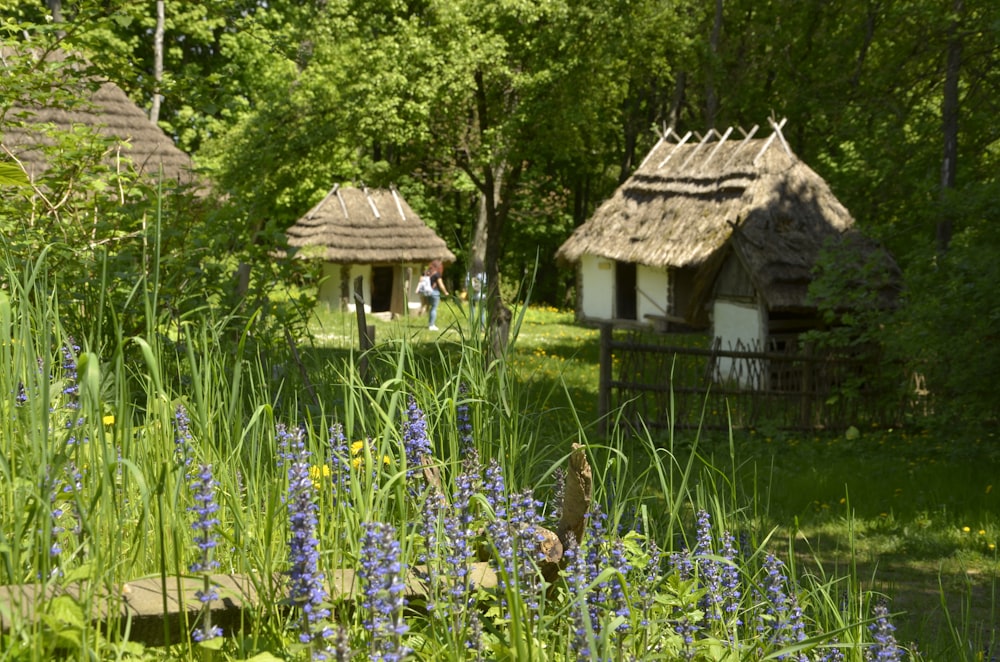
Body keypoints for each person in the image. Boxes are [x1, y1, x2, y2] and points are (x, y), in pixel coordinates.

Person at [427, 259, 449, 330]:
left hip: (428, 292)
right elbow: (441, 284)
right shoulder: (437, 274)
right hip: (435, 292)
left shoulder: (427, 273)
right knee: (434, 308)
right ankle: (431, 325)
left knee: (431, 308)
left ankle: (430, 324)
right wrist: (445, 292)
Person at [466, 256, 487, 329]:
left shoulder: (470, 273)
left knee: (472, 310)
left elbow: (467, 284)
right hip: (482, 295)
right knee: (482, 312)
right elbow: (485, 284)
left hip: (472, 294)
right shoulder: (483, 274)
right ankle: (482, 327)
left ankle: (471, 327)